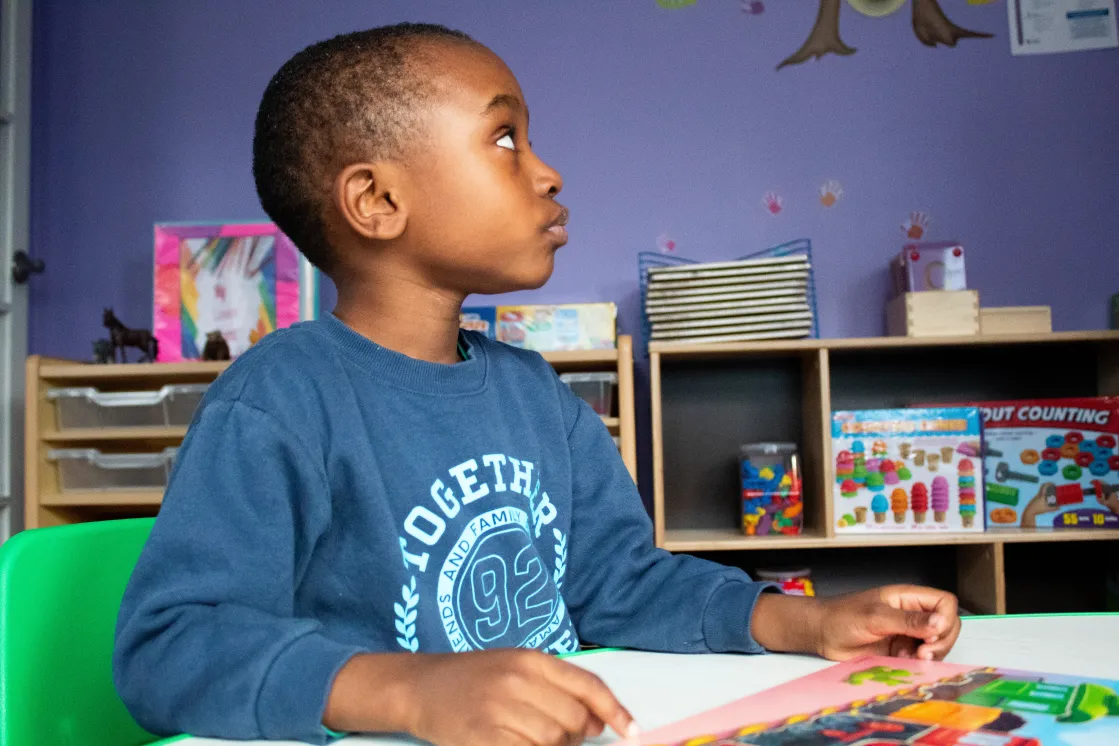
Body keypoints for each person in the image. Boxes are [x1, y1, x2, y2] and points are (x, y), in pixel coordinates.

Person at [113, 23, 962, 746]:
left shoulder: (533, 393)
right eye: (506, 140)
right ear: (376, 201)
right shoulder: (279, 402)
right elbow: (170, 648)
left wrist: (808, 623)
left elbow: (622, 583)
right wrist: (412, 692)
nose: (548, 173)